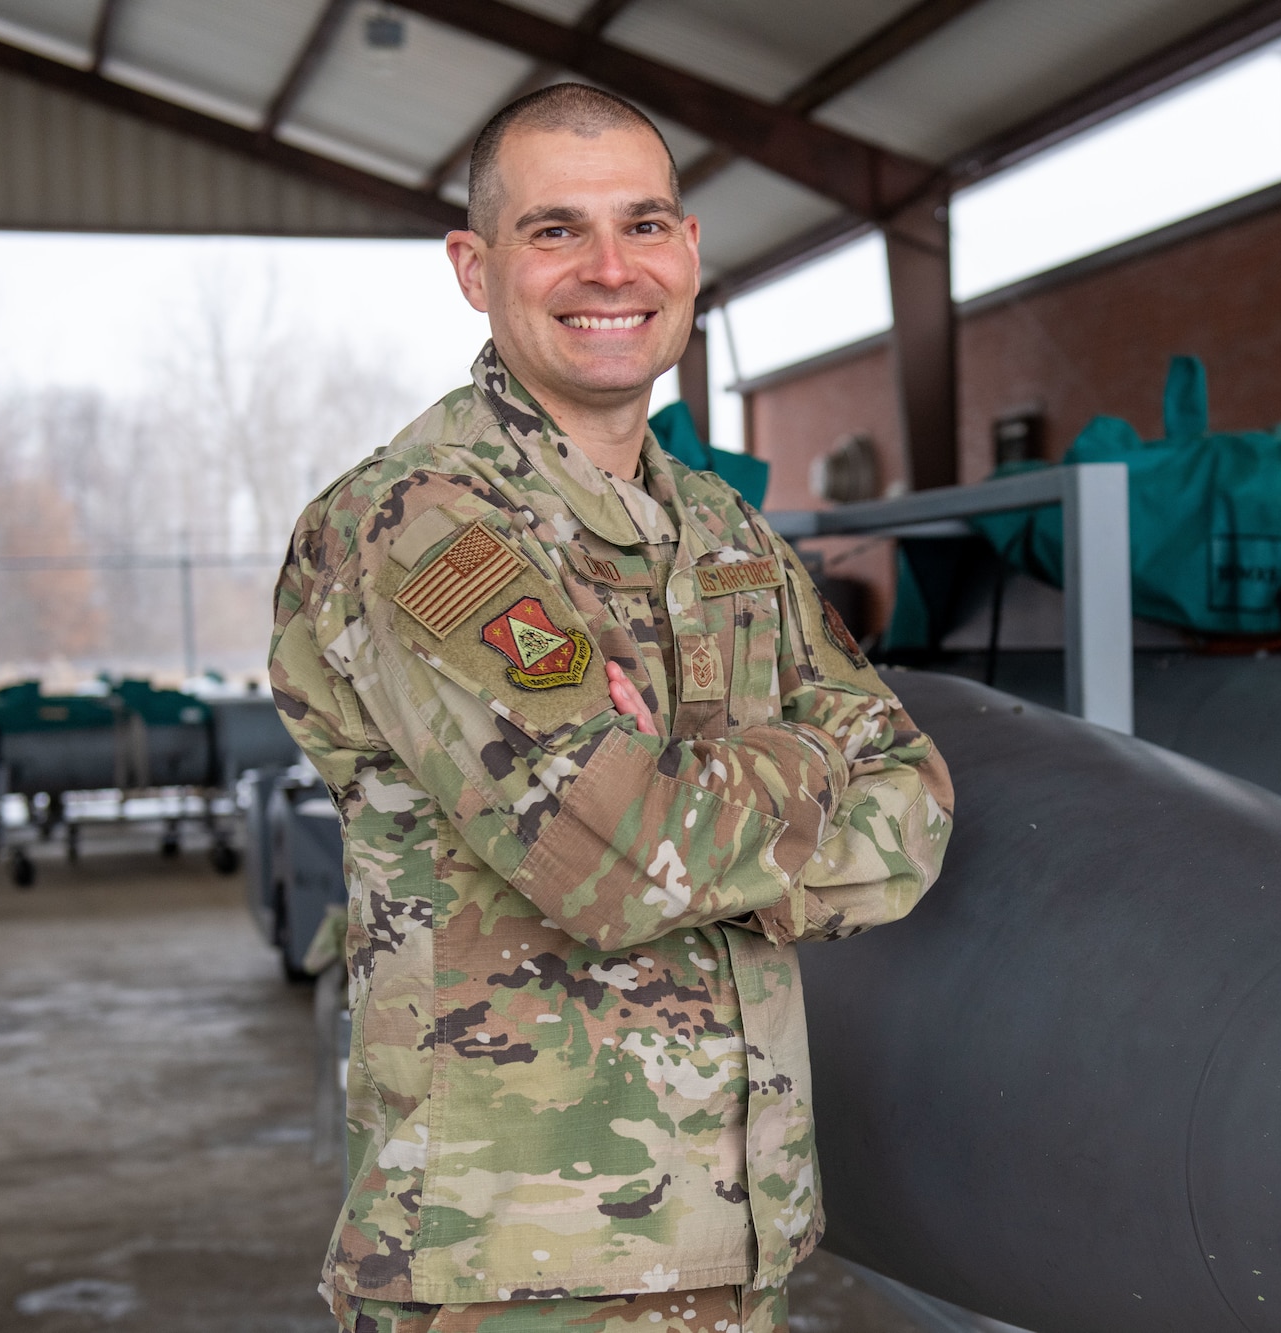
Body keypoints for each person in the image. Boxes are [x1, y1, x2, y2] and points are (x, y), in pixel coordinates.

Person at [269, 82, 954, 1333]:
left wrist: (694, 785)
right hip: (516, 1263)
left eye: (643, 225)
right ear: (476, 269)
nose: (608, 270)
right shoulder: (423, 525)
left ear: (689, 251)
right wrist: (796, 763)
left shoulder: (720, 527)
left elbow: (912, 798)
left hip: (732, 1234)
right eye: (552, 231)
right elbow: (620, 865)